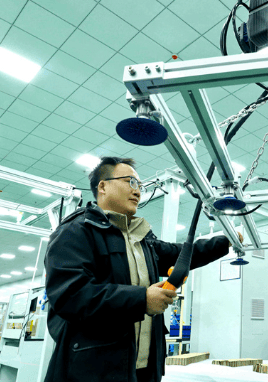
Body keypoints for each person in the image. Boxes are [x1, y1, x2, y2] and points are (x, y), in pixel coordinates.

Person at [44, 157, 233, 382]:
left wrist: (226, 241)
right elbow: (71, 295)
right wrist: (142, 299)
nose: (138, 191)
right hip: (93, 372)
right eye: (131, 182)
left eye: (140, 186)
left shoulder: (141, 239)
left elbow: (180, 254)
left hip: (144, 371)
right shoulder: (75, 231)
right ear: (102, 186)